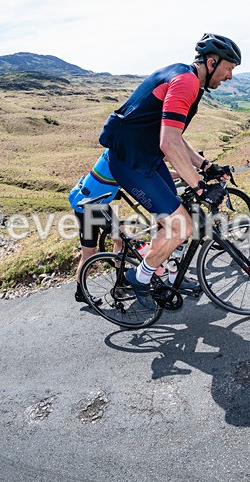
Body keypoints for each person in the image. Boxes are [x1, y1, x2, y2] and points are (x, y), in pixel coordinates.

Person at [100, 33, 240, 308]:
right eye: (228, 68)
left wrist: (205, 166)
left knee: (175, 220)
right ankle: (138, 278)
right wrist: (200, 186)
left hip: (147, 158)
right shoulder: (186, 82)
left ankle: (167, 272)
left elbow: (174, 135)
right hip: (131, 163)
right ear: (212, 62)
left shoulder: (188, 78)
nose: (230, 76)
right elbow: (168, 142)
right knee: (181, 226)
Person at [68, 148, 120, 303]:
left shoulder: (116, 149)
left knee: (120, 239)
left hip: (99, 202)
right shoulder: (119, 152)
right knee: (89, 253)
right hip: (88, 207)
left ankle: (121, 281)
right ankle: (81, 293)